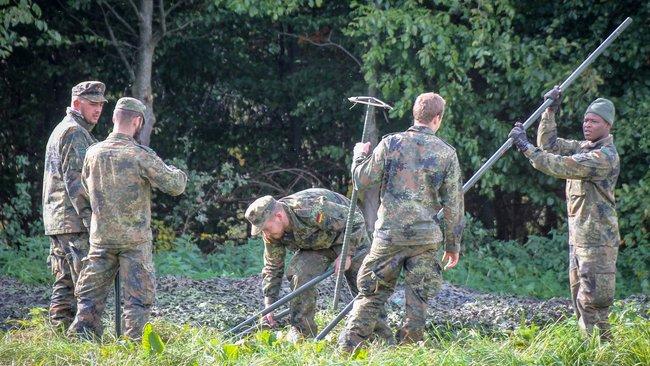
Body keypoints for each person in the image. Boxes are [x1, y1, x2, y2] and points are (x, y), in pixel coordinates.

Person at [338, 92, 465, 351]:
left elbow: (361, 180)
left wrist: (358, 157)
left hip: (389, 236)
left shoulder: (390, 143)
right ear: (437, 118)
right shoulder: (446, 154)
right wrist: (453, 245)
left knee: (371, 294)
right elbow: (454, 205)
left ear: (415, 114)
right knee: (418, 296)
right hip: (425, 239)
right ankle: (410, 349)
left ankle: (348, 348)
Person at [67, 97, 187, 339]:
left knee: (89, 299)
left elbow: (83, 192)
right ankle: (132, 349)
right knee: (137, 301)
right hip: (134, 242)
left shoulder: (93, 153)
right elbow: (175, 186)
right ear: (138, 121)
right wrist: (178, 172)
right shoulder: (139, 155)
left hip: (101, 239)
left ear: (113, 118)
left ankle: (82, 345)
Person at [508, 87, 620, 340]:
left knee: (594, 305)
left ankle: (603, 354)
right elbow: (549, 145)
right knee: (579, 303)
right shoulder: (583, 147)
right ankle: (588, 351)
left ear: (608, 125)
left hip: (598, 243)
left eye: (594, 121)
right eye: (585, 120)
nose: (587, 125)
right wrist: (549, 111)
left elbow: (557, 164)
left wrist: (525, 147)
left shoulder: (603, 157)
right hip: (579, 240)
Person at [245, 188, 391, 343]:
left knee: (364, 283)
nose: (265, 233)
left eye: (266, 228)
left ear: (279, 216)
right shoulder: (271, 234)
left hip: (350, 237)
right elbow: (273, 266)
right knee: (299, 273)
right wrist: (270, 303)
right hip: (318, 246)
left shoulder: (310, 208)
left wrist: (346, 254)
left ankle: (379, 337)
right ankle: (303, 334)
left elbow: (355, 220)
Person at [42, 81, 107, 329]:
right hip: (73, 220)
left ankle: (59, 334)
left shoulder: (63, 128)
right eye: (92, 103)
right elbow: (76, 182)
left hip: (58, 219)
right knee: (86, 281)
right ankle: (84, 336)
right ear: (77, 103)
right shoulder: (75, 133)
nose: (98, 109)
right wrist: (92, 221)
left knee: (65, 282)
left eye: (101, 104)